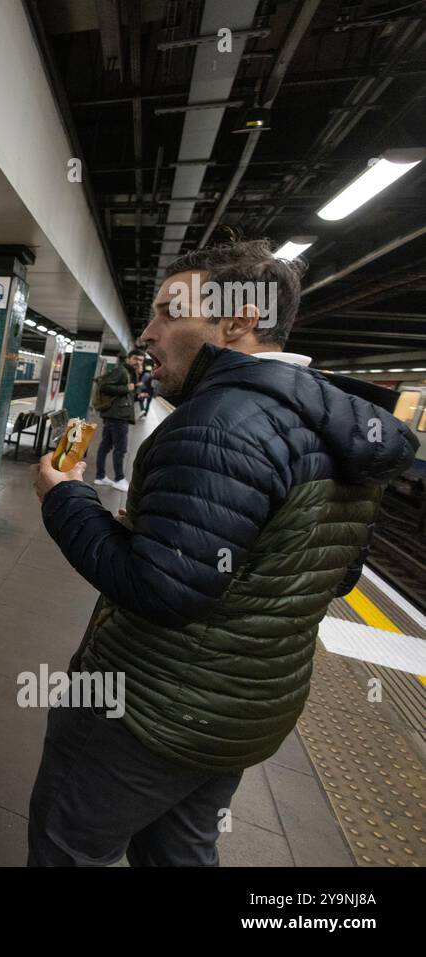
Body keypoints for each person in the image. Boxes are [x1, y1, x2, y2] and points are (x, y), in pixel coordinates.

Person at [28, 239, 418, 866]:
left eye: (167, 313)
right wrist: (178, 533)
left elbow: (160, 592)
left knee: (68, 849)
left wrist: (65, 500)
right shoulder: (341, 428)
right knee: (181, 855)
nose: (149, 332)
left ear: (236, 322)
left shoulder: (219, 424)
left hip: (148, 708)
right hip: (246, 712)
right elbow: (333, 574)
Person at [92, 350, 144, 492]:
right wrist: (126, 388)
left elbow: (127, 393)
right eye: (135, 359)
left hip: (115, 414)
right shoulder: (122, 371)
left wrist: (135, 391)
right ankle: (119, 479)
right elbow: (104, 386)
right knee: (120, 448)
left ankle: (100, 476)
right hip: (117, 416)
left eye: (141, 360)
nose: (138, 362)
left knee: (106, 446)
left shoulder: (129, 372)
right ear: (128, 358)